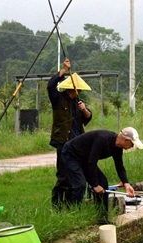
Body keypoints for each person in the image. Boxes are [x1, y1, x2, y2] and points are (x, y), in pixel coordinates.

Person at [48, 58, 93, 208]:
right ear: (71, 89)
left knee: (76, 173)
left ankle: (71, 203)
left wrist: (84, 110)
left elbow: (88, 117)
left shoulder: (78, 103)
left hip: (77, 143)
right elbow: (50, 86)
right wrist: (64, 70)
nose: (78, 92)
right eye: (77, 90)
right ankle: (57, 204)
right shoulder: (58, 99)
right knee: (63, 175)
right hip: (63, 141)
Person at [61, 127, 143, 208]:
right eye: (132, 144)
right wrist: (95, 185)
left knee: (103, 182)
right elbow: (92, 162)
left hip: (85, 159)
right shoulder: (103, 139)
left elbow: (119, 166)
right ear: (126, 140)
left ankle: (102, 216)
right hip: (71, 154)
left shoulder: (118, 148)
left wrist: (126, 184)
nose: (132, 147)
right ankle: (74, 211)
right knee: (80, 184)